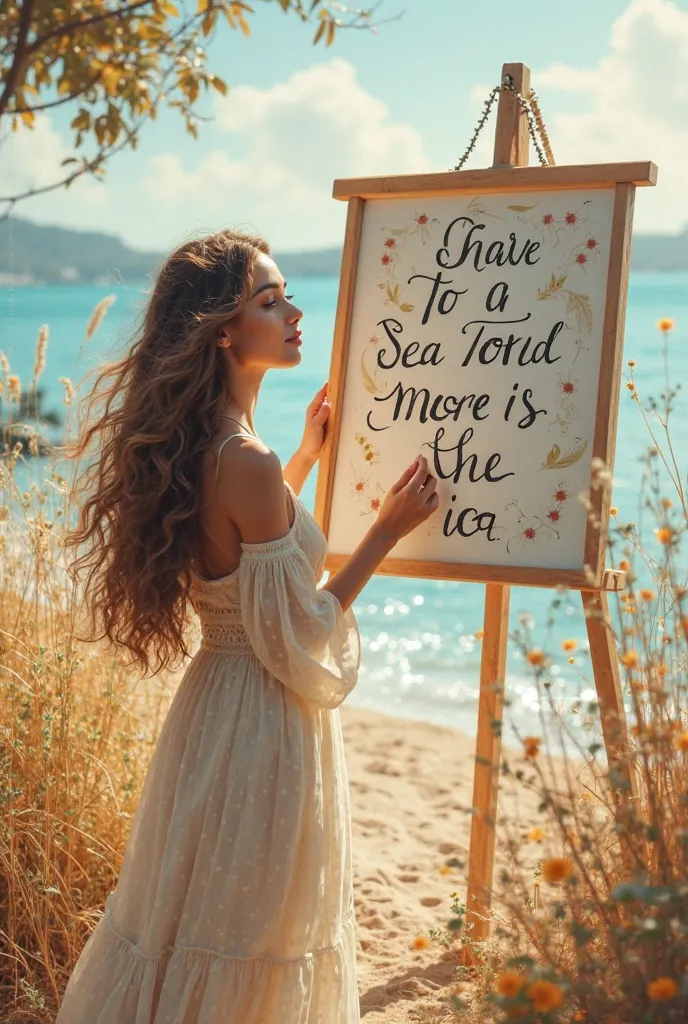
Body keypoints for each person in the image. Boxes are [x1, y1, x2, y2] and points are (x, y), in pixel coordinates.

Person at [56, 228, 439, 1023]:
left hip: (212, 713)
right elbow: (300, 632)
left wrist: (301, 457)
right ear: (223, 330)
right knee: (253, 934)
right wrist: (386, 530)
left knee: (190, 923)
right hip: (263, 723)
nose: (294, 312)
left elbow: (243, 556)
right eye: (270, 300)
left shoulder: (216, 448)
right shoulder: (244, 461)